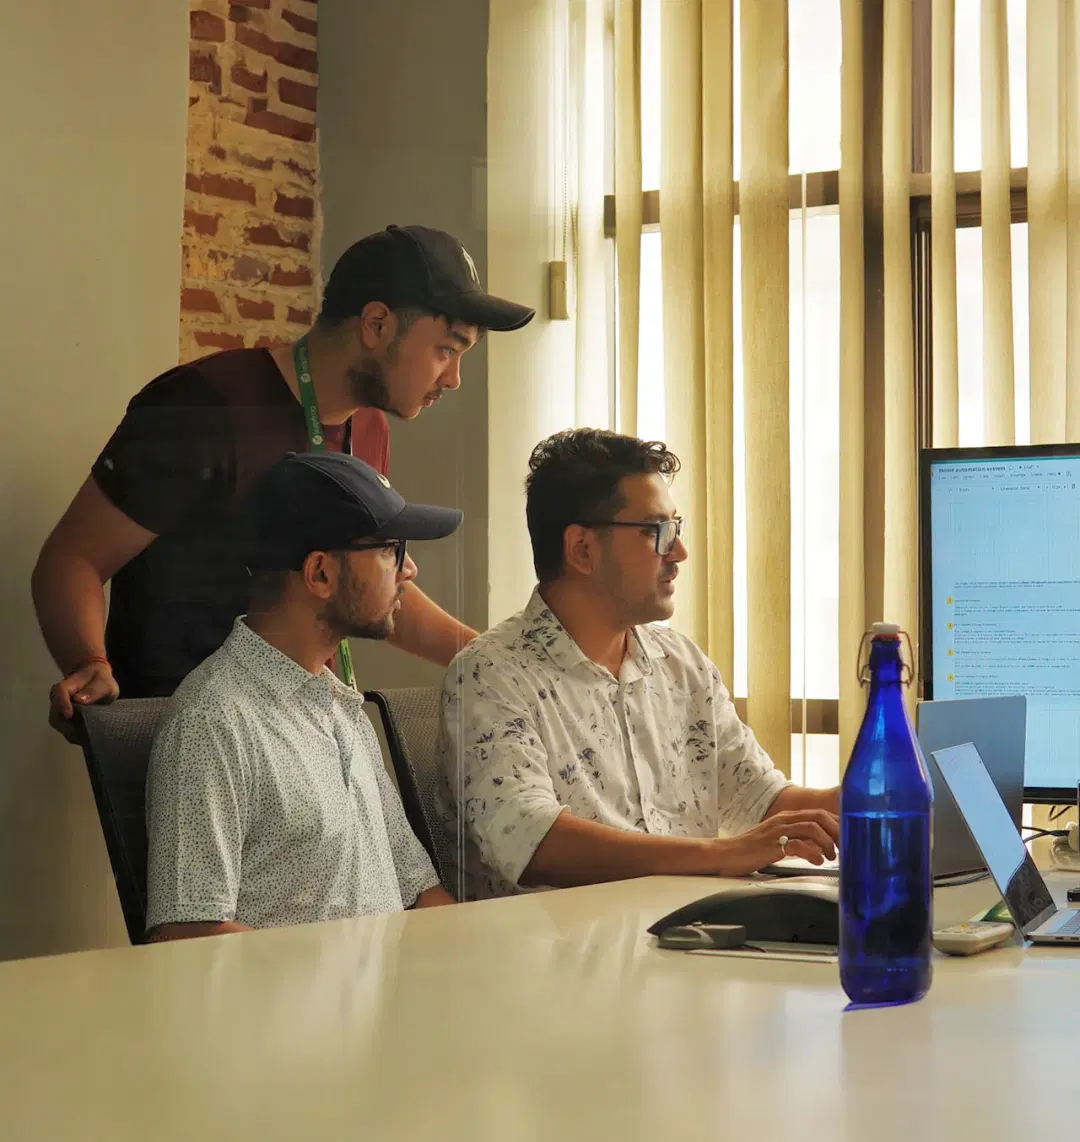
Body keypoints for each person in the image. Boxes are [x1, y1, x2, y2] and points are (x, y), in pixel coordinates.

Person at [33, 224, 534, 738]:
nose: (453, 380)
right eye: (447, 351)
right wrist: (88, 660)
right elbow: (74, 558)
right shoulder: (202, 406)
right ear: (377, 325)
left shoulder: (369, 427)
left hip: (303, 737)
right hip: (185, 737)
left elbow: (371, 583)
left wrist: (491, 659)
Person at [438, 428, 840, 900]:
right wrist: (719, 856)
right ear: (582, 550)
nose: (679, 553)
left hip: (689, 944)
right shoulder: (489, 675)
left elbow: (760, 799)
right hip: (556, 960)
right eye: (657, 532)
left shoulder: (681, 664)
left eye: (676, 527)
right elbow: (535, 841)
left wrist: (879, 796)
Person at [145, 450, 459, 940]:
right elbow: (188, 935)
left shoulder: (341, 708)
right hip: (300, 1015)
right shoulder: (213, 721)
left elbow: (418, 888)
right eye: (389, 549)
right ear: (319, 574)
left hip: (387, 1005)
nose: (408, 569)